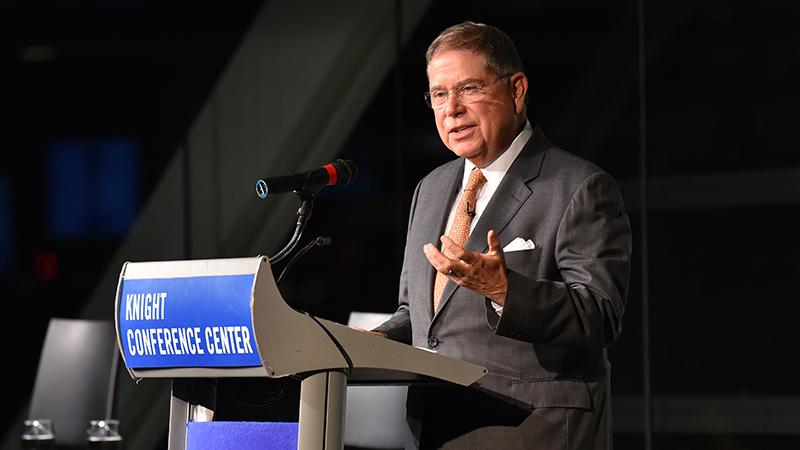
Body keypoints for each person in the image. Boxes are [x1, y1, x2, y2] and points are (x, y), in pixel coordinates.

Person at [369, 21, 632, 449]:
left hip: (533, 431)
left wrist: (505, 291)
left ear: (517, 90)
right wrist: (376, 342)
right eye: (438, 94)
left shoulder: (579, 186)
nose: (451, 109)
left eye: (468, 88)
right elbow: (420, 315)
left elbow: (600, 315)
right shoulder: (431, 188)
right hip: (435, 431)